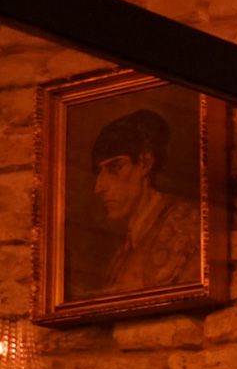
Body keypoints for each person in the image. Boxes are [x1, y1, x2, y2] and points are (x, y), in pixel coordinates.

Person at [77, 107, 201, 300]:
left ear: (145, 163)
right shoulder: (121, 256)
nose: (99, 187)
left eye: (115, 168)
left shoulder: (187, 225)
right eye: (99, 172)